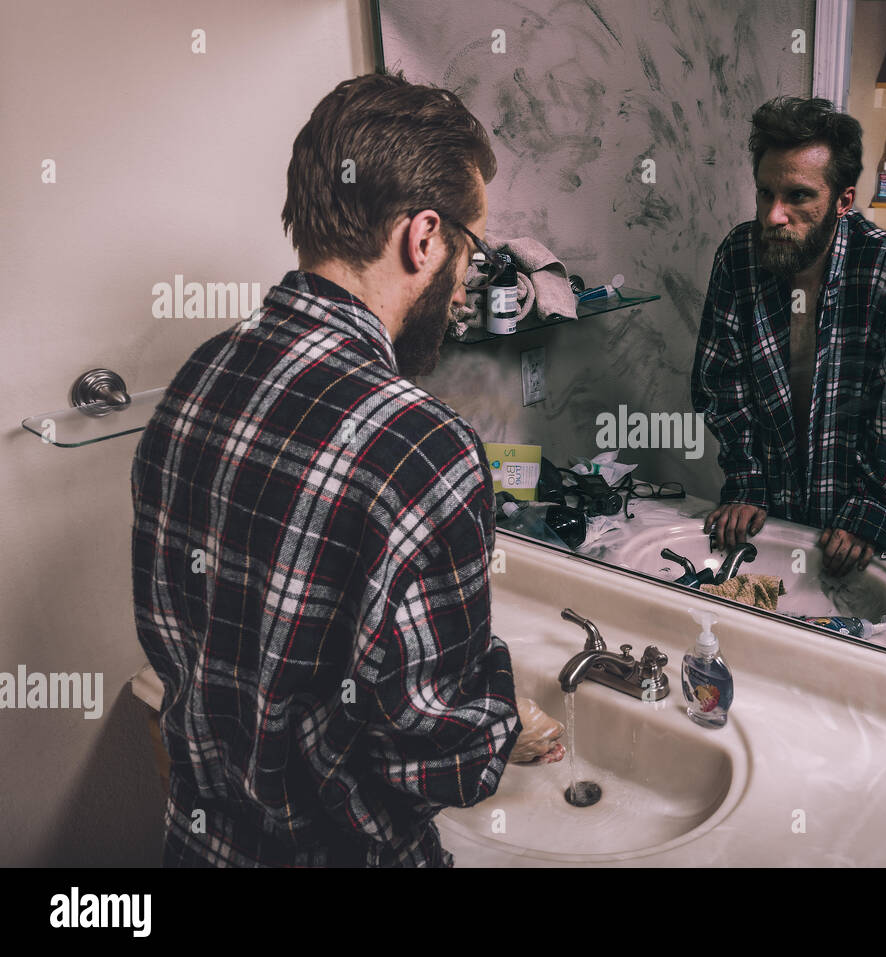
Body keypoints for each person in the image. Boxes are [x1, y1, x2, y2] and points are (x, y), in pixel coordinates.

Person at [130, 72, 563, 867]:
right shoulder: (422, 447)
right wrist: (502, 716)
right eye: (468, 249)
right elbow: (434, 756)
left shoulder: (197, 379)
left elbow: (187, 649)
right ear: (424, 236)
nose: (465, 280)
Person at [691, 96, 886, 576]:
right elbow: (721, 385)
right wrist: (746, 481)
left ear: (843, 201)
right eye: (766, 193)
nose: (773, 215)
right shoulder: (739, 257)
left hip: (866, 528)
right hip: (771, 515)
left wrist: (873, 506)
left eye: (798, 196)